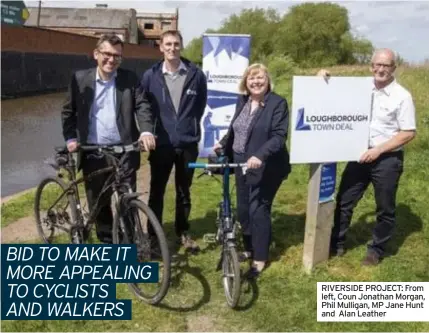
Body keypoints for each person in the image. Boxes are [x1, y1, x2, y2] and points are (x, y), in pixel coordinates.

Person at [61, 33, 156, 244]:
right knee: (100, 203)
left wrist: (146, 131)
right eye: (107, 54)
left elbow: (142, 105)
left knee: (127, 201)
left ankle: (130, 245)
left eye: (117, 56)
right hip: (92, 151)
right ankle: (106, 244)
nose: (112, 60)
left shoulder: (129, 79)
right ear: (96, 54)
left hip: (123, 152)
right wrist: (70, 139)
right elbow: (68, 112)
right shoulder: (79, 79)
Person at [328, 48, 417, 265]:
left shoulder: (402, 96)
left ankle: (376, 250)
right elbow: (335, 92)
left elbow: (408, 132)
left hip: (387, 159)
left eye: (386, 65)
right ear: (371, 66)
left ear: (394, 68)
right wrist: (325, 78)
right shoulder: (361, 88)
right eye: (376, 64)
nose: (380, 69)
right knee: (345, 200)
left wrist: (378, 150)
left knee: (384, 207)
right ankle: (336, 243)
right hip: (359, 156)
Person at [213, 63, 291, 278]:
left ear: (268, 81)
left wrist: (260, 155)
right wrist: (222, 143)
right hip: (240, 162)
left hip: (267, 165)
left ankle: (259, 259)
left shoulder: (277, 103)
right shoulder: (243, 101)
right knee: (244, 208)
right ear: (246, 82)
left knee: (259, 209)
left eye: (260, 78)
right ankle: (248, 249)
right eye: (251, 78)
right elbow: (237, 130)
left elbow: (278, 136)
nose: (256, 82)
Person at [140, 30, 207, 253]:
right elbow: (145, 107)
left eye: (176, 44)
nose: (172, 48)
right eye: (167, 44)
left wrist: (188, 127)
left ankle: (183, 231)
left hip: (187, 143)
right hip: (161, 144)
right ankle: (153, 235)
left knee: (183, 190)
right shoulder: (150, 75)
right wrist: (150, 131)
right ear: (160, 47)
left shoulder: (196, 74)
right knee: (157, 190)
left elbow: (200, 105)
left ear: (181, 46)